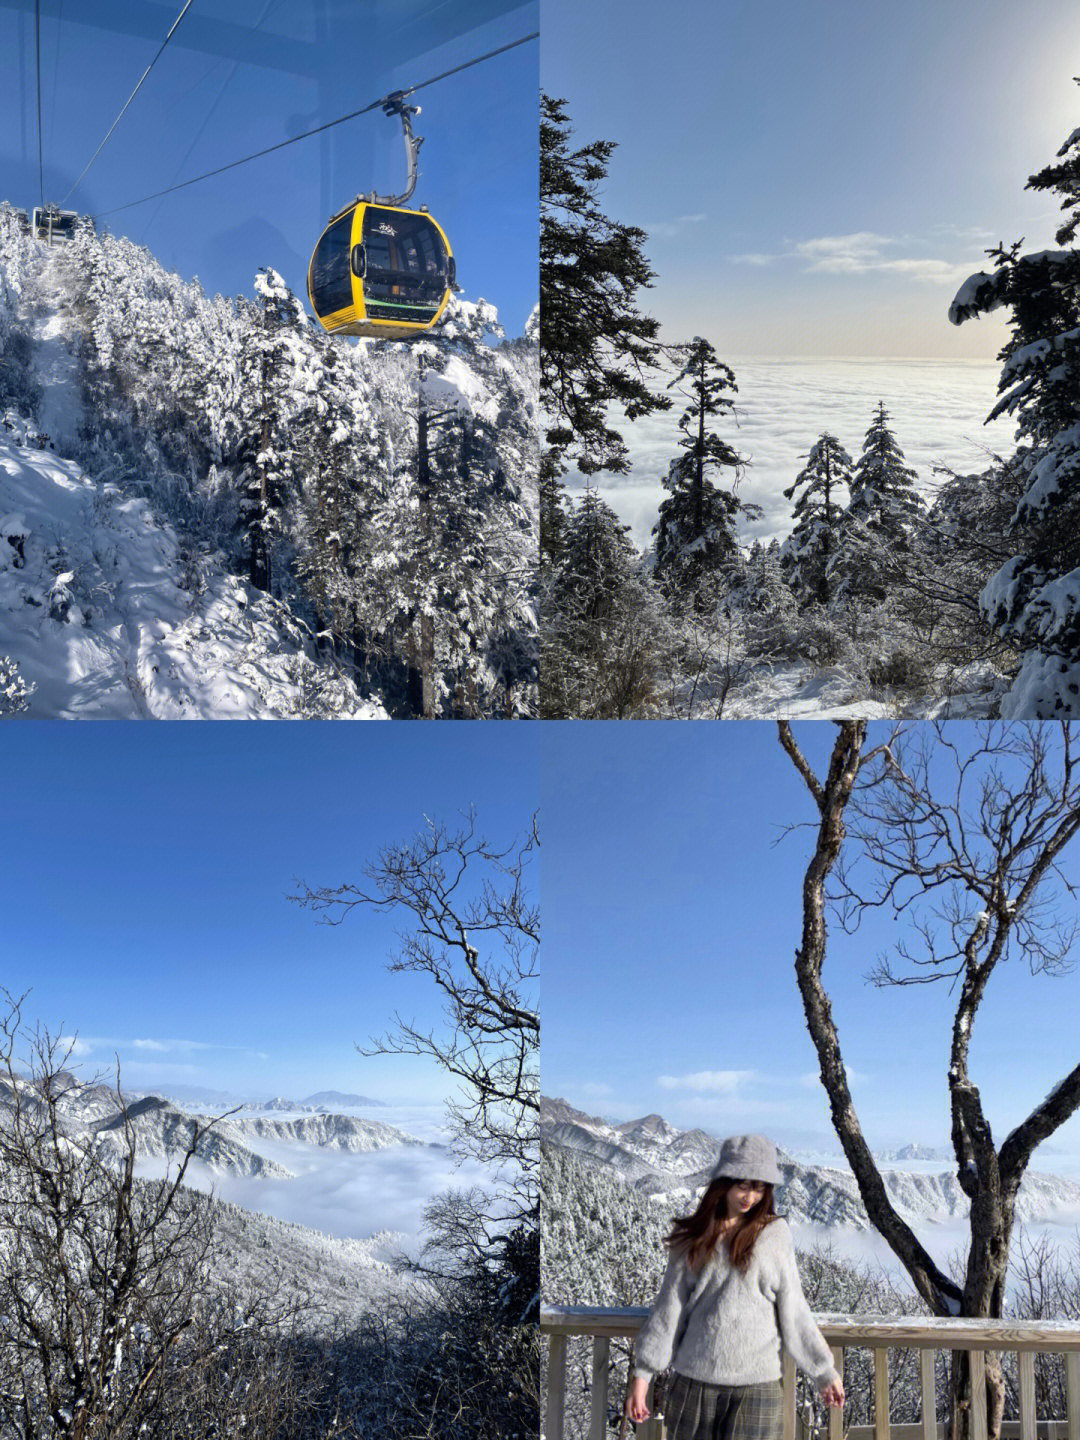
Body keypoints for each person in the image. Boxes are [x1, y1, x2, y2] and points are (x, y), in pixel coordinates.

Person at [625, 1134, 844, 1440]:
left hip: (758, 1387)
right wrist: (643, 1375)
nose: (749, 1196)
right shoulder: (692, 1237)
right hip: (694, 1382)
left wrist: (823, 1370)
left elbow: (794, 1309)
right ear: (724, 1181)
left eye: (758, 1186)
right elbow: (669, 1309)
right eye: (742, 1184)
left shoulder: (775, 1234)